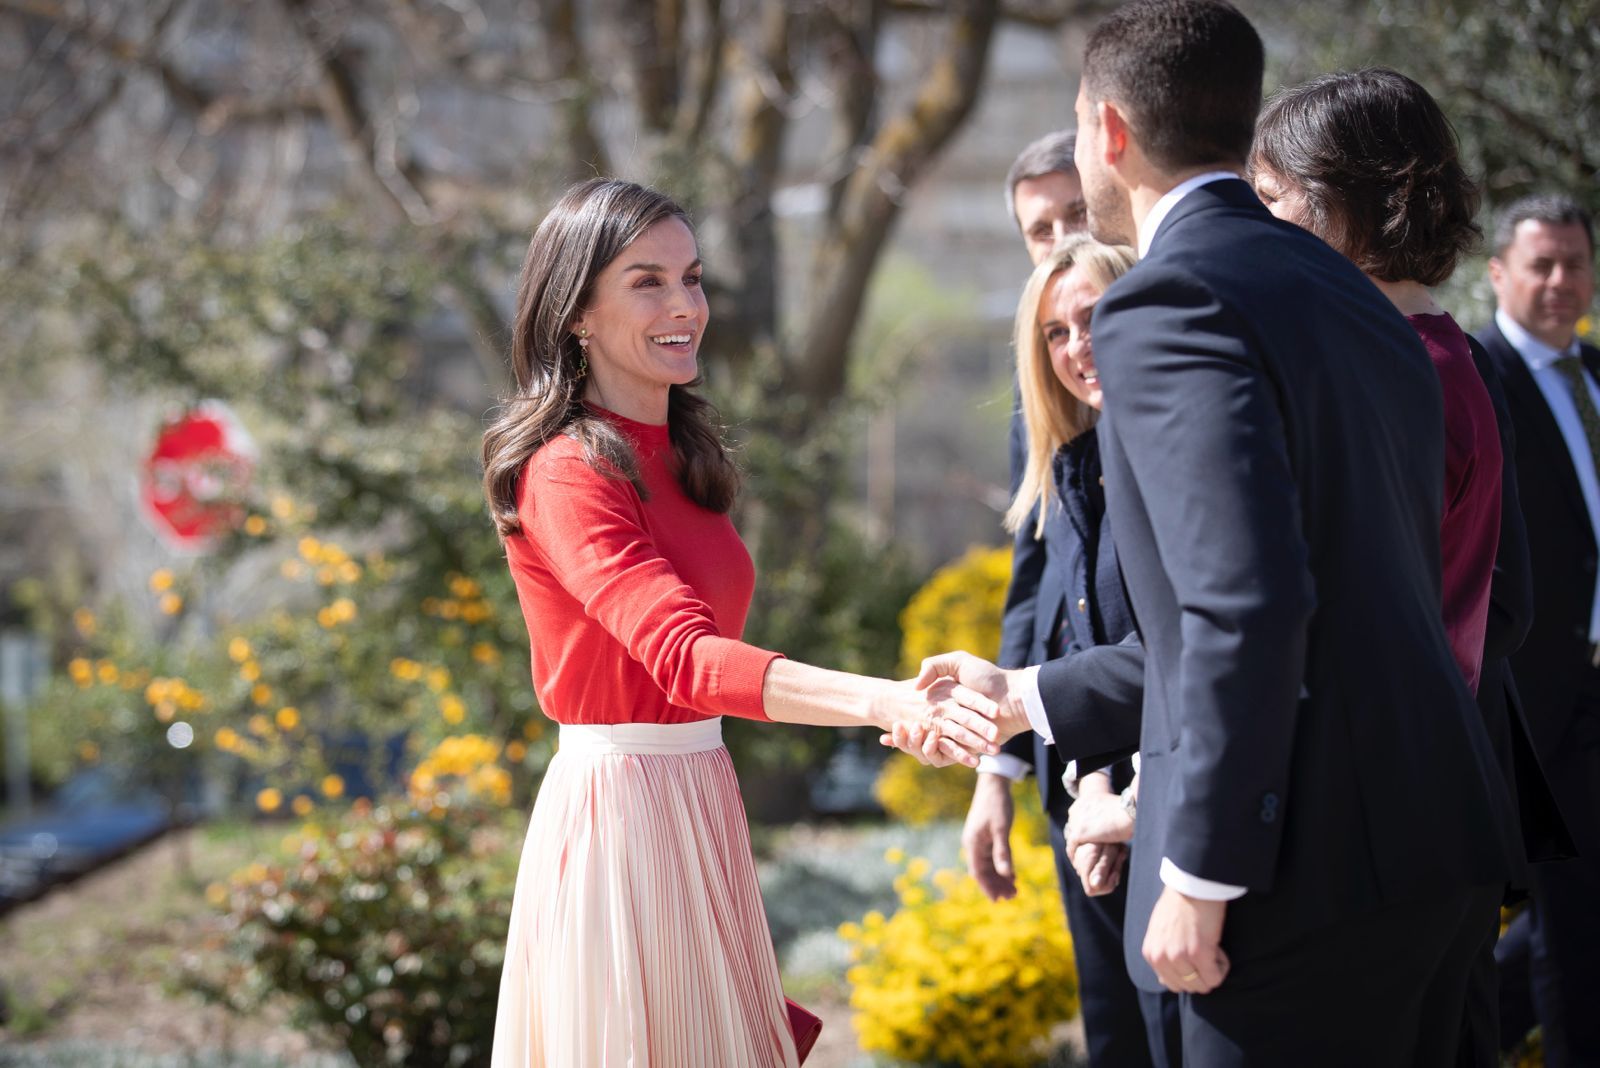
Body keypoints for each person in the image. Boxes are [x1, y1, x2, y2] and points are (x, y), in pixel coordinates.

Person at [907, 1, 1519, 1061]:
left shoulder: (1166, 302)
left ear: (1108, 130)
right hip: (1438, 849)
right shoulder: (1362, 297)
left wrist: (1198, 869)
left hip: (1297, 887)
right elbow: (1305, 606)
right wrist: (1023, 695)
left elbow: (1245, 606)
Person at [481, 177, 1002, 1067]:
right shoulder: (567, 471)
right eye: (647, 282)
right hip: (622, 813)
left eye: (692, 277)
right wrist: (885, 701)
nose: (685, 305)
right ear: (577, 315)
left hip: (699, 789)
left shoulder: (685, 455)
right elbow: (686, 660)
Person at [1247, 67, 1577, 1066]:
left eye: (1271, 196)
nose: (1254, 222)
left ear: (1346, 201)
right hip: (1430, 812)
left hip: (1366, 829)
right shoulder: (1443, 353)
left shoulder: (1393, 368)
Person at [973, 131, 1175, 1067]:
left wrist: (1126, 790)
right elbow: (1038, 592)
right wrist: (1009, 770)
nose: (1058, 239)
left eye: (1074, 216)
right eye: (1038, 230)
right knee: (1118, 1033)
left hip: (1164, 776)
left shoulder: (1172, 420)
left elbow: (1183, 638)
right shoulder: (1052, 416)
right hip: (1079, 762)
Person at [1475, 193, 1600, 1068]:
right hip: (1541, 700)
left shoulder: (1595, 372)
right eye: (1541, 265)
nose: (1561, 281)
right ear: (1497, 273)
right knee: (1570, 931)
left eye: (1576, 264)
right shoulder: (1475, 376)